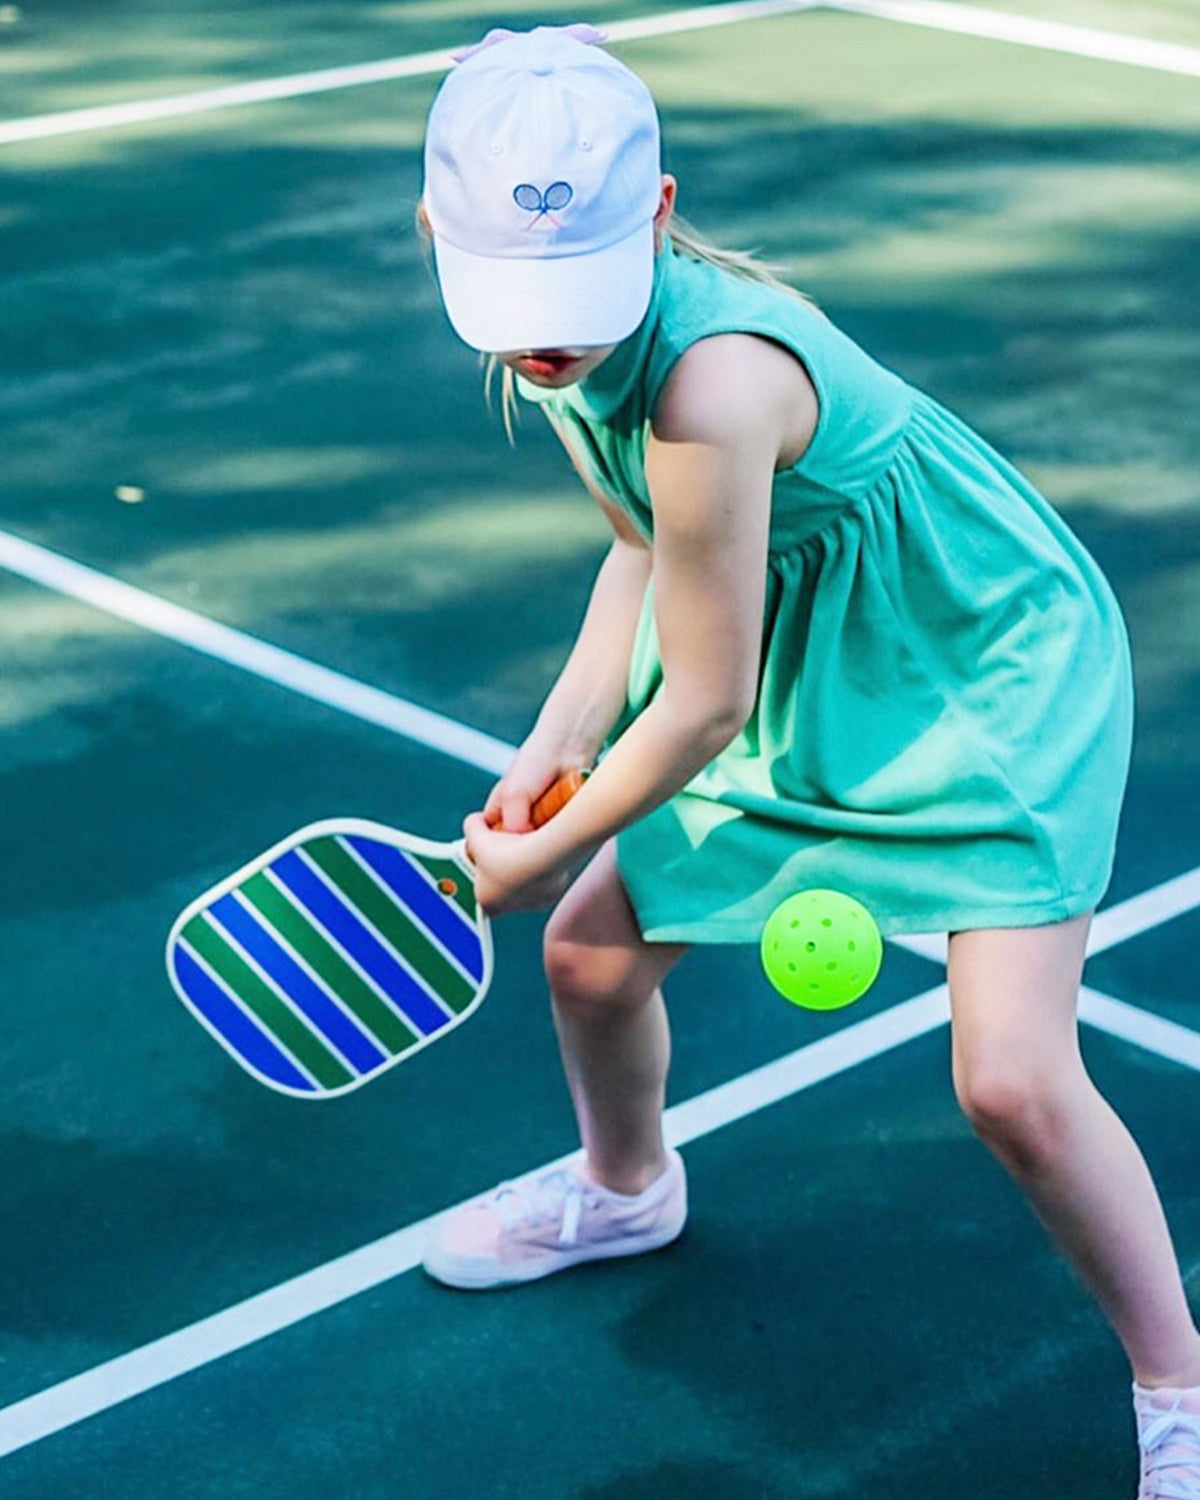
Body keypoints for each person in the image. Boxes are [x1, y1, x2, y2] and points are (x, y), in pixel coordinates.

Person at [416, 23, 1200, 1493]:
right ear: (435, 232)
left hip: (977, 673)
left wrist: (550, 846)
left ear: (654, 215)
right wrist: (557, 742)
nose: (543, 338)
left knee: (1012, 1085)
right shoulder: (562, 344)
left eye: (570, 296)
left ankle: (1183, 1387)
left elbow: (705, 704)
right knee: (588, 962)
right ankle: (625, 1189)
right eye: (512, 300)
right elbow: (642, 552)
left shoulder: (711, 380)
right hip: (800, 656)